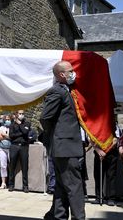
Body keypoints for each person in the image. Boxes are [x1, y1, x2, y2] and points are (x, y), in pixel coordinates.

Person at [40, 60, 85, 220]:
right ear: (61, 74)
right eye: (70, 71)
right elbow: (45, 117)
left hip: (63, 147)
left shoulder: (67, 90)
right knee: (75, 186)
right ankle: (78, 218)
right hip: (65, 147)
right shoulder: (57, 91)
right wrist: (55, 137)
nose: (73, 73)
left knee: (61, 187)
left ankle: (59, 216)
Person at [8, 109, 31, 193]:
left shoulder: (27, 123)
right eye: (20, 113)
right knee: (12, 166)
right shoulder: (12, 124)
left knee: (25, 166)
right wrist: (20, 133)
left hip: (24, 147)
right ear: (17, 114)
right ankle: (11, 185)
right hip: (14, 146)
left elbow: (25, 132)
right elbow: (11, 136)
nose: (21, 115)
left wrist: (20, 125)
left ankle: (25, 186)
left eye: (23, 113)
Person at [0, 114, 12, 189]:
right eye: (6, 119)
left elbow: (13, 137)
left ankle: (11, 182)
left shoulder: (12, 127)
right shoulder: (1, 127)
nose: (7, 121)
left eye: (9, 119)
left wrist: (4, 135)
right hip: (2, 148)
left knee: (11, 165)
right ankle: (3, 182)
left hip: (10, 148)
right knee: (3, 166)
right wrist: (6, 136)